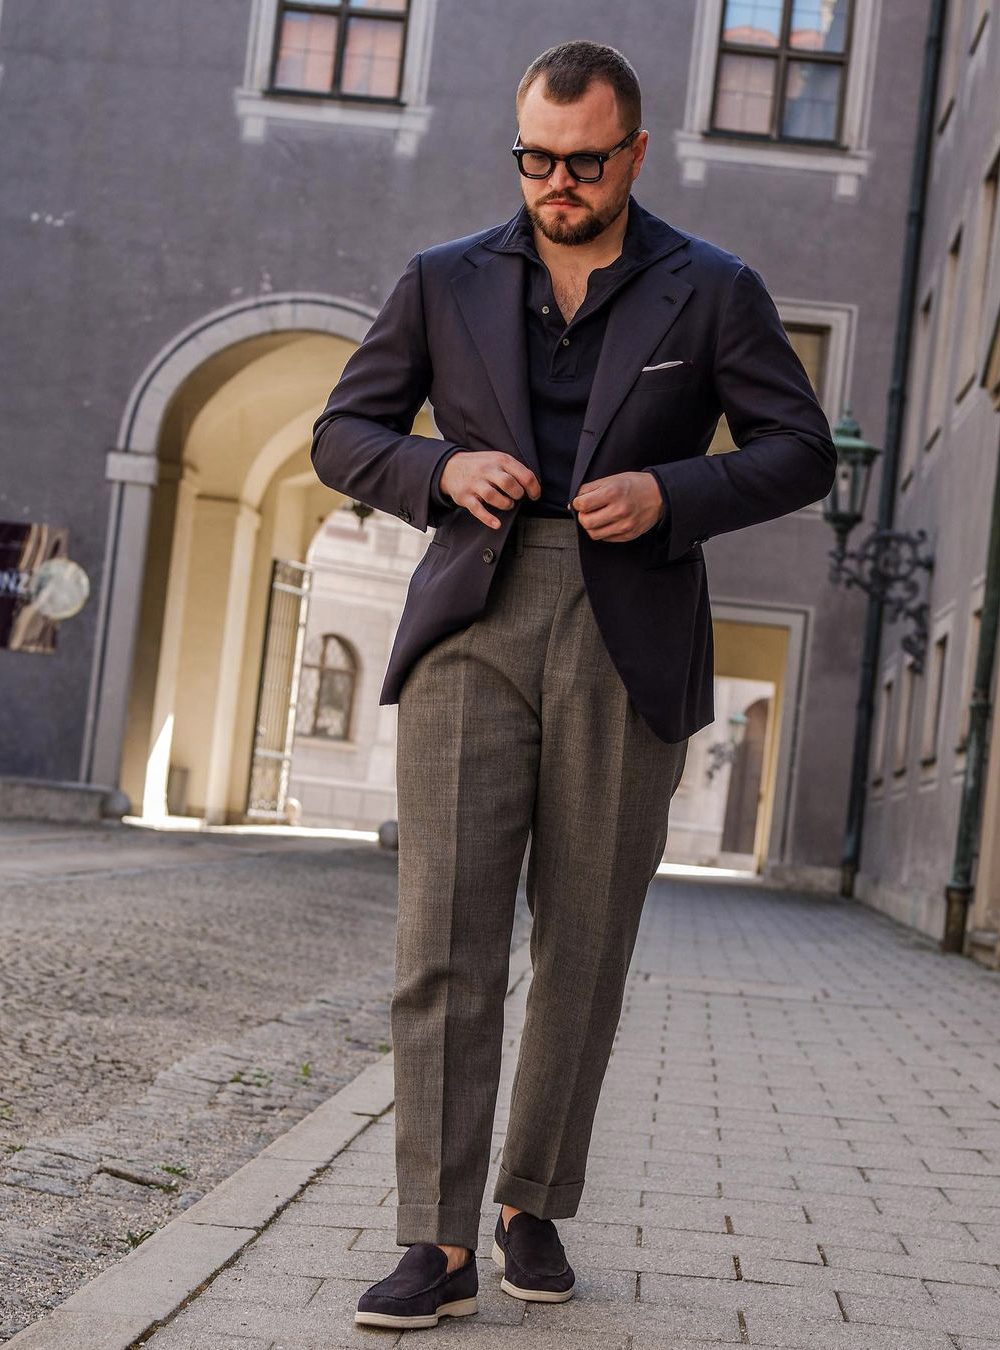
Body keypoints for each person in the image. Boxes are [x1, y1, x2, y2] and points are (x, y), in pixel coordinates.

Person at [310, 39, 836, 1332]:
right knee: (444, 937)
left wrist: (673, 492)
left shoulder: (714, 291)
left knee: (587, 941)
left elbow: (800, 451)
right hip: (474, 620)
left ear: (634, 153)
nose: (556, 183)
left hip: (630, 618)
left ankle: (529, 1197)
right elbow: (343, 432)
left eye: (583, 162)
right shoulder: (440, 281)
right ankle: (435, 1240)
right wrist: (437, 471)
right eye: (536, 160)